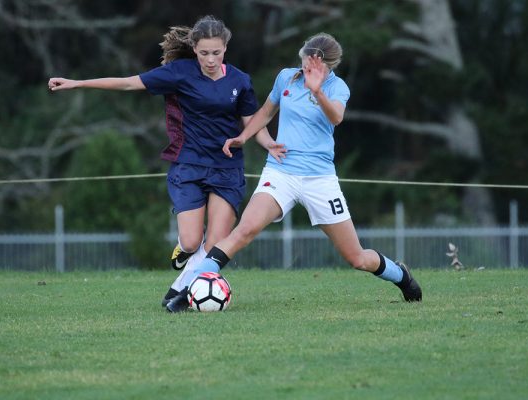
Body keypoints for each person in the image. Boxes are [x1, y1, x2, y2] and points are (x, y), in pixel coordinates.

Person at [165, 32, 422, 312]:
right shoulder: (286, 77)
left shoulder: (337, 88)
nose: (304, 69)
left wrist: (317, 91)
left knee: (357, 258)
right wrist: (244, 137)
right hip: (281, 173)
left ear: (327, 66)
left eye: (311, 66)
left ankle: (400, 275)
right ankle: (188, 290)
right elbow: (266, 112)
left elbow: (336, 117)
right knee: (244, 231)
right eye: (303, 62)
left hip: (319, 179)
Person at [48, 16, 285, 305]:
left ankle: (179, 294)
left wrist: (269, 144)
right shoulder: (179, 73)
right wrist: (78, 83)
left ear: (225, 47)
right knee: (191, 241)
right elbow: (128, 84)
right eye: (204, 53)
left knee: (214, 245)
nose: (211, 59)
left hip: (227, 168)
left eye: (216, 52)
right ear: (194, 49)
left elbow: (252, 122)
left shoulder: (240, 81)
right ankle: (183, 254)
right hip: (189, 166)